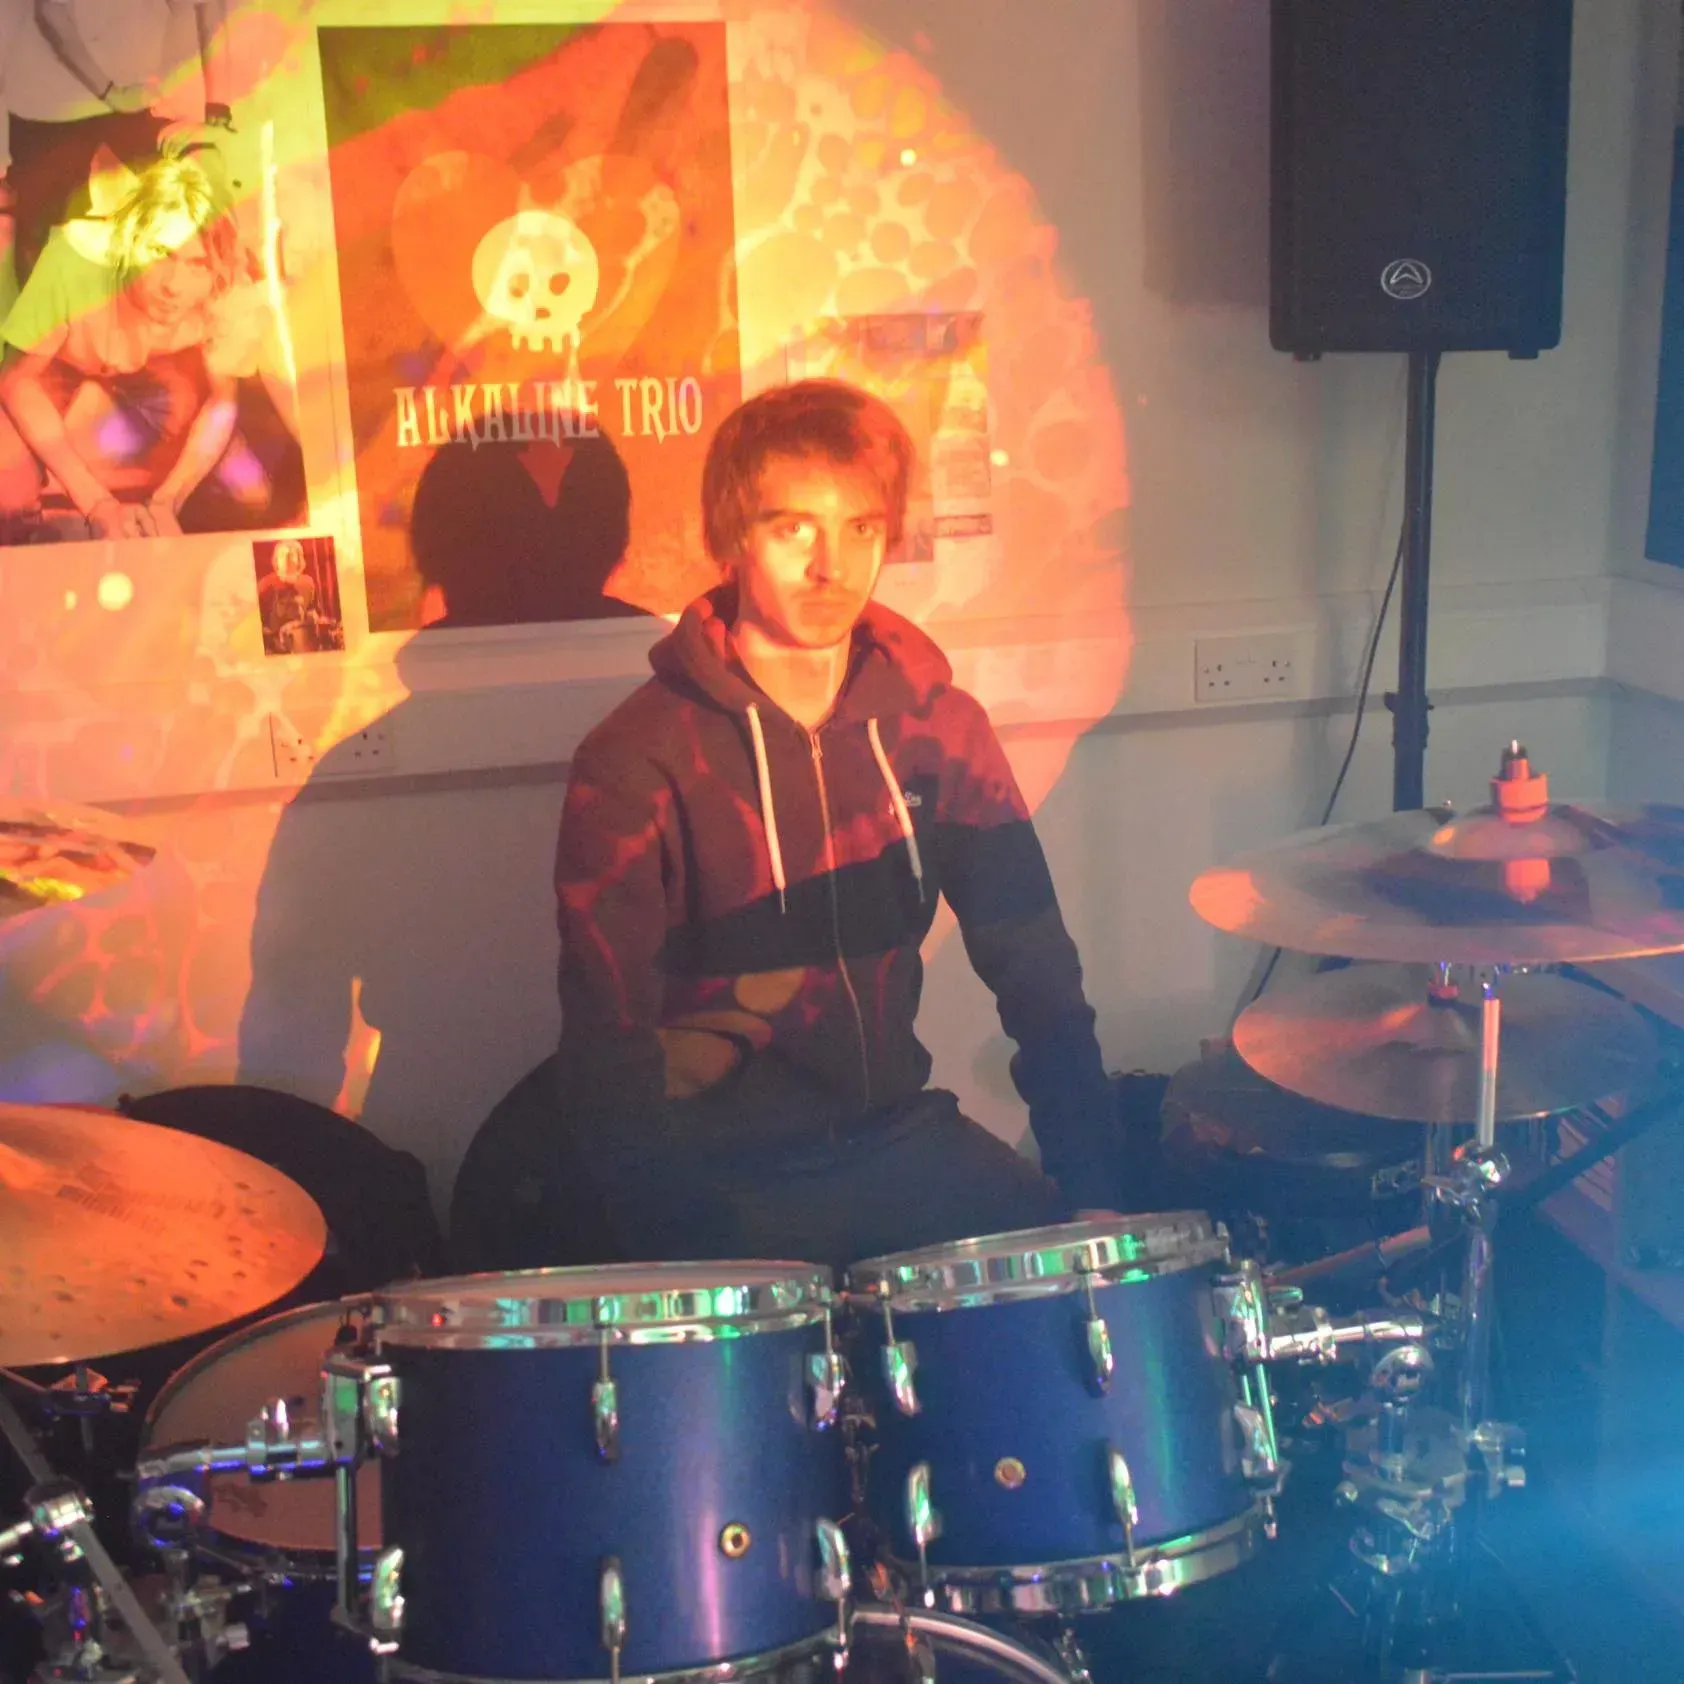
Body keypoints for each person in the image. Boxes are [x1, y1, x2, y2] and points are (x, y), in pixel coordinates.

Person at [545, 378, 1122, 1270]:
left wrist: (1096, 1190)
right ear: (733, 538)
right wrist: (667, 1243)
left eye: (859, 528)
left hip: (898, 1141)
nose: (832, 567)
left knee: (1090, 1299)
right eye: (794, 529)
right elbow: (605, 1046)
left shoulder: (939, 729)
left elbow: (1036, 968)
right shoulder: (636, 755)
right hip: (717, 1176)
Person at [0, 141, 303, 542]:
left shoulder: (226, 289)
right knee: (7, 494)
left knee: (252, 496)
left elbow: (221, 399)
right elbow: (16, 380)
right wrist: (97, 503)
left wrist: (169, 500)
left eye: (196, 264)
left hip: (153, 371)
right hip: (58, 360)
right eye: (160, 252)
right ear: (131, 240)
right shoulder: (74, 261)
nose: (173, 285)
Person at [0, 0, 231, 289]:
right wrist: (110, 92)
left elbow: (206, 7)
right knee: (37, 229)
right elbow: (52, 16)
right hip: (55, 107)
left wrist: (216, 103)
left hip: (124, 102)